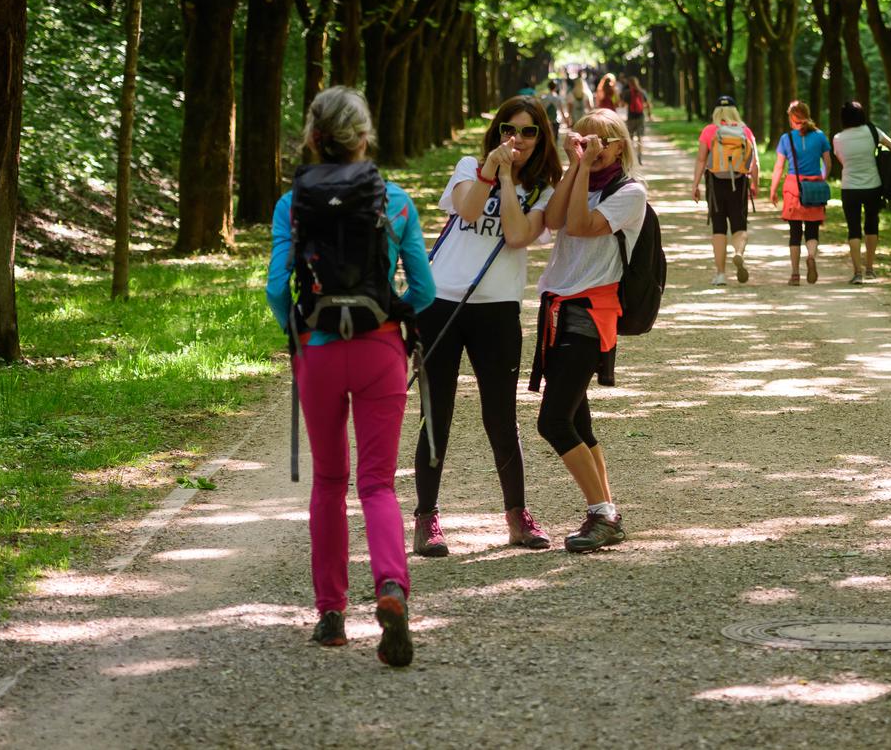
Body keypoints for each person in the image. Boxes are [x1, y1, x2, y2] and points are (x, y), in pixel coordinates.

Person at [266, 87, 434, 664]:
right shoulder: (397, 202)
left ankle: (332, 615)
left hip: (317, 351)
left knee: (329, 483)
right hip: (380, 348)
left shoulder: (292, 204)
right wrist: (397, 309)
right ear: (366, 137)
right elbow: (426, 291)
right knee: (378, 484)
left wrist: (300, 327)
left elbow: (274, 288)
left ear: (313, 137)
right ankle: (390, 587)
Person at [412, 95, 562, 557]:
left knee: (500, 416)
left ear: (542, 139)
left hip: (497, 309)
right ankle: (426, 520)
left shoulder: (543, 190)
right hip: (441, 303)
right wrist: (489, 173)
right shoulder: (466, 167)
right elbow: (470, 211)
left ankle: (517, 517)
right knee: (436, 414)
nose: (517, 139)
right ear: (496, 132)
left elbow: (517, 235)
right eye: (508, 129)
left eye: (529, 131)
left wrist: (511, 182)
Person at [531, 109, 647, 553]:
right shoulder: (581, 178)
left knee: (554, 421)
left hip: (590, 313)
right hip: (559, 310)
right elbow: (557, 220)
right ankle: (606, 510)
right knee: (578, 420)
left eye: (601, 141)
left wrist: (583, 165)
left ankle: (603, 514)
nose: (591, 147)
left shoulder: (630, 193)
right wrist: (576, 165)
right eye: (583, 138)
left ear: (620, 145)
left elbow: (581, 225)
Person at [691, 95, 759, 286]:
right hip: (739, 182)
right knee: (740, 226)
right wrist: (755, 183)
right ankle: (738, 253)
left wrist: (695, 185)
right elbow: (754, 161)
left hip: (715, 183)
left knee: (718, 228)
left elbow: (701, 159)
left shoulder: (709, 130)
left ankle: (721, 274)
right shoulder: (745, 130)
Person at [831, 100, 891, 284]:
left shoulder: (838, 138)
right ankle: (870, 268)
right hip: (873, 186)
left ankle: (857, 272)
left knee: (853, 229)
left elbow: (842, 160)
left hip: (850, 187)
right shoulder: (873, 131)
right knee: (871, 226)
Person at [768, 100, 831, 286]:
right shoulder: (820, 136)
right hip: (814, 189)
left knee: (794, 233)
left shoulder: (786, 138)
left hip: (794, 189)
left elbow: (779, 167)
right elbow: (828, 163)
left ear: (791, 117)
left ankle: (795, 274)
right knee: (812, 230)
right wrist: (822, 178)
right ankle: (811, 256)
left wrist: (773, 190)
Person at [620, 76, 653, 163]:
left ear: (630, 84)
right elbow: (648, 104)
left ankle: (631, 156)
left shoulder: (627, 93)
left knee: (630, 138)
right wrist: (649, 115)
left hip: (631, 117)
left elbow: (622, 105)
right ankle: (639, 156)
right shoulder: (642, 92)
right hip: (640, 117)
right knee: (640, 137)